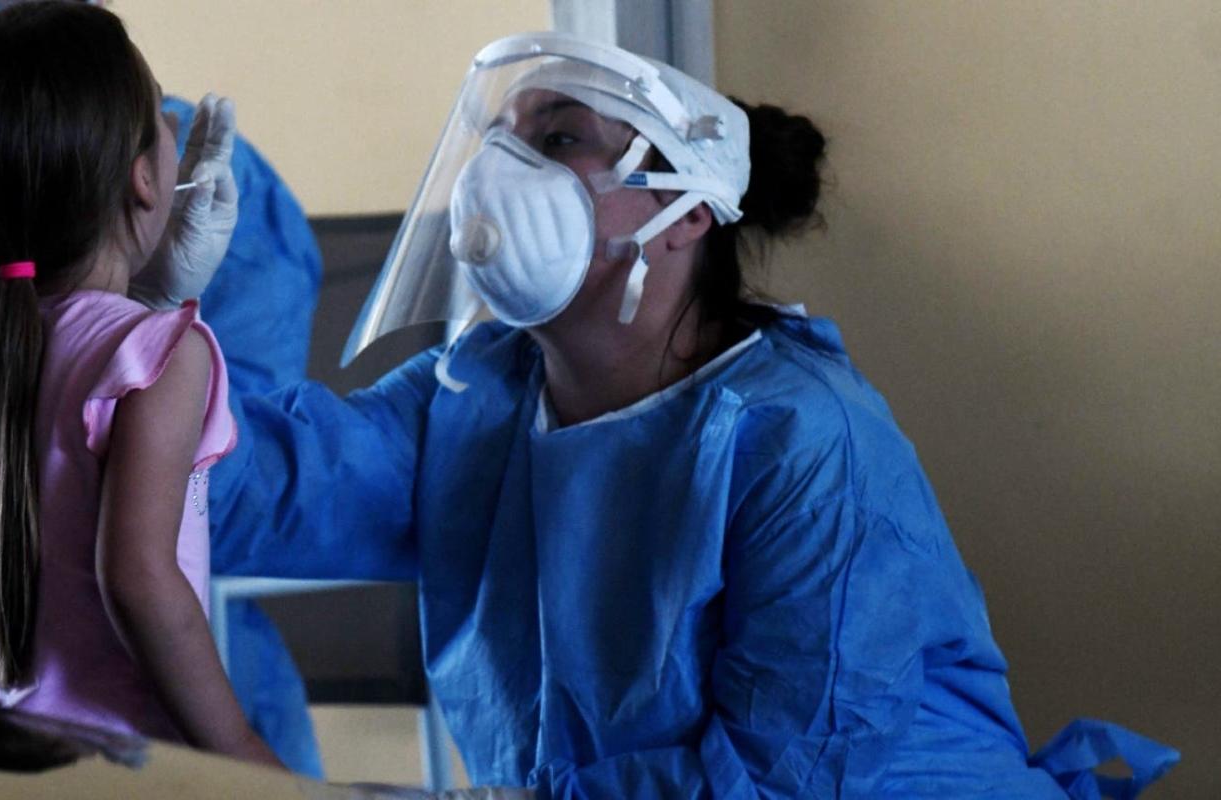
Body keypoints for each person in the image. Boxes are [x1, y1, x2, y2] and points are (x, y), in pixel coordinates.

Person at [206, 32, 1179, 797]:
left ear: (688, 210)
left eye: (556, 139)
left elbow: (782, 775)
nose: (498, 170)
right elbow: (246, 492)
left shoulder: (799, 440)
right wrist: (151, 324)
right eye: (498, 137)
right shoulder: (472, 399)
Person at [0, 0, 324, 776]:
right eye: (161, 124)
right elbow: (140, 582)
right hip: (121, 766)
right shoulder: (160, 354)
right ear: (146, 179)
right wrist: (242, 755)